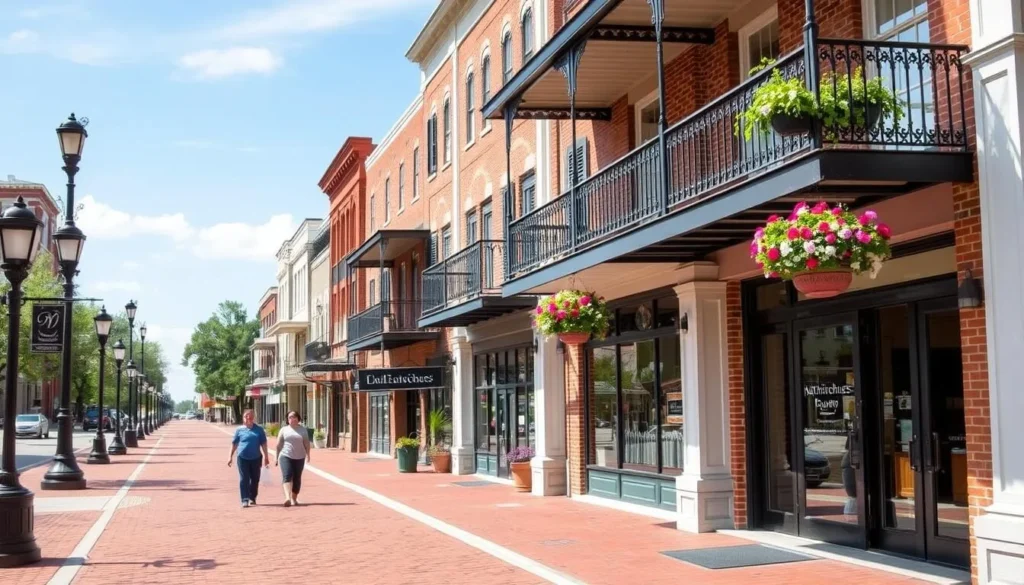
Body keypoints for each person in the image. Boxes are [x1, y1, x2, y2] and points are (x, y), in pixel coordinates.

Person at [228, 409, 269, 508]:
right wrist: (230, 456)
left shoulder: (259, 430)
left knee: (255, 479)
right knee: (244, 478)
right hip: (242, 458)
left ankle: (252, 497)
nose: (248, 418)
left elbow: (263, 443)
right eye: (246, 416)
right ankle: (244, 499)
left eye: (250, 416)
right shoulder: (239, 430)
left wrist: (266, 456)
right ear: (243, 418)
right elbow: (234, 444)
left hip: (256, 458)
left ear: (253, 417)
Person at [275, 410, 311, 507]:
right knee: (287, 475)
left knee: (297, 478)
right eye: (290, 417)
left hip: (300, 456)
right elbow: (278, 445)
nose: (292, 419)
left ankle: (294, 499)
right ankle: (287, 497)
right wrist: (276, 457)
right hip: (285, 455)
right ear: (287, 419)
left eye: (294, 417)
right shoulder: (283, 430)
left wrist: (308, 454)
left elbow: (307, 443)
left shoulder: (303, 430)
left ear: (298, 418)